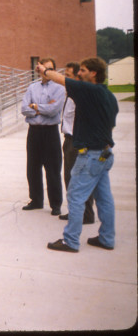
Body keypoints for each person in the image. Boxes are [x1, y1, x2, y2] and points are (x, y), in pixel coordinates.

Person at [39, 57, 119, 252]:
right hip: (104, 155)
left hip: (90, 156)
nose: (79, 74)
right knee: (104, 198)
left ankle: (71, 241)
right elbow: (111, 124)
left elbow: (62, 80)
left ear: (94, 73)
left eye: (83, 70)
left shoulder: (88, 90)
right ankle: (107, 238)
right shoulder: (109, 96)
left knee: (75, 196)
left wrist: (45, 71)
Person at [21, 58, 66, 215]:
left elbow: (54, 110)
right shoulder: (32, 87)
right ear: (39, 70)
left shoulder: (59, 88)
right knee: (32, 168)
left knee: (52, 169)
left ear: (55, 70)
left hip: (50, 132)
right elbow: (24, 108)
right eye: (44, 68)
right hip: (34, 132)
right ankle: (36, 200)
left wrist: (35, 107)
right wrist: (42, 109)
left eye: (50, 69)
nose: (47, 72)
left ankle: (55, 204)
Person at [59, 62, 95, 224]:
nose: (66, 78)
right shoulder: (70, 95)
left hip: (76, 141)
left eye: (69, 75)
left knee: (76, 179)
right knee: (71, 179)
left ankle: (84, 214)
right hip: (69, 140)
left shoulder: (78, 96)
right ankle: (79, 212)